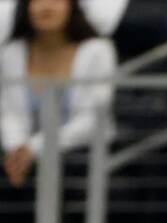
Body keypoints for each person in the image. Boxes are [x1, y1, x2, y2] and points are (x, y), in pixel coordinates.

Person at [1, 0, 115, 188]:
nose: (46, 7)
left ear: (72, 7)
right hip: (22, 161)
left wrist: (34, 148)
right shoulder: (11, 53)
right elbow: (9, 113)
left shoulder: (97, 50)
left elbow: (92, 119)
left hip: (81, 158)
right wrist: (17, 149)